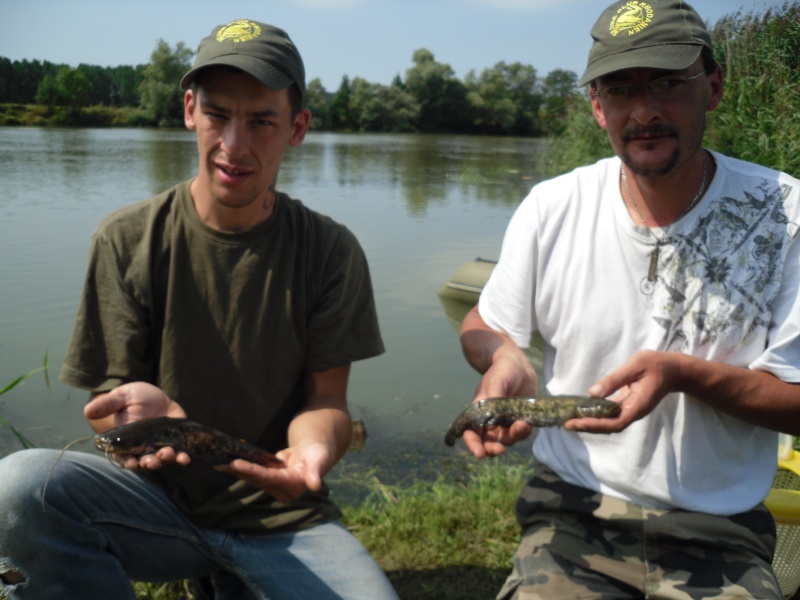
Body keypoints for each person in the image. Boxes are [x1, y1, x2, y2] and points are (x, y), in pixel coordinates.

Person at [0, 19, 399, 600]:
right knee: (20, 486)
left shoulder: (331, 251)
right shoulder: (125, 239)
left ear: (298, 127)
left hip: (283, 517)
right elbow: (105, 409)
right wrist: (135, 421)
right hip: (157, 507)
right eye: (218, 115)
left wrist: (312, 452)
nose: (234, 146)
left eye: (262, 121)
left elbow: (326, 401)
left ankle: (231, 580)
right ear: (190, 109)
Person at [458, 1, 800, 598]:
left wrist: (684, 375)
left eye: (668, 84)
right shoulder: (552, 206)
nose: (644, 112)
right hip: (571, 513)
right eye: (620, 91)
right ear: (597, 106)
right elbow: (485, 321)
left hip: (719, 532)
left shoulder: (785, 213)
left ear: (713, 86)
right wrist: (503, 357)